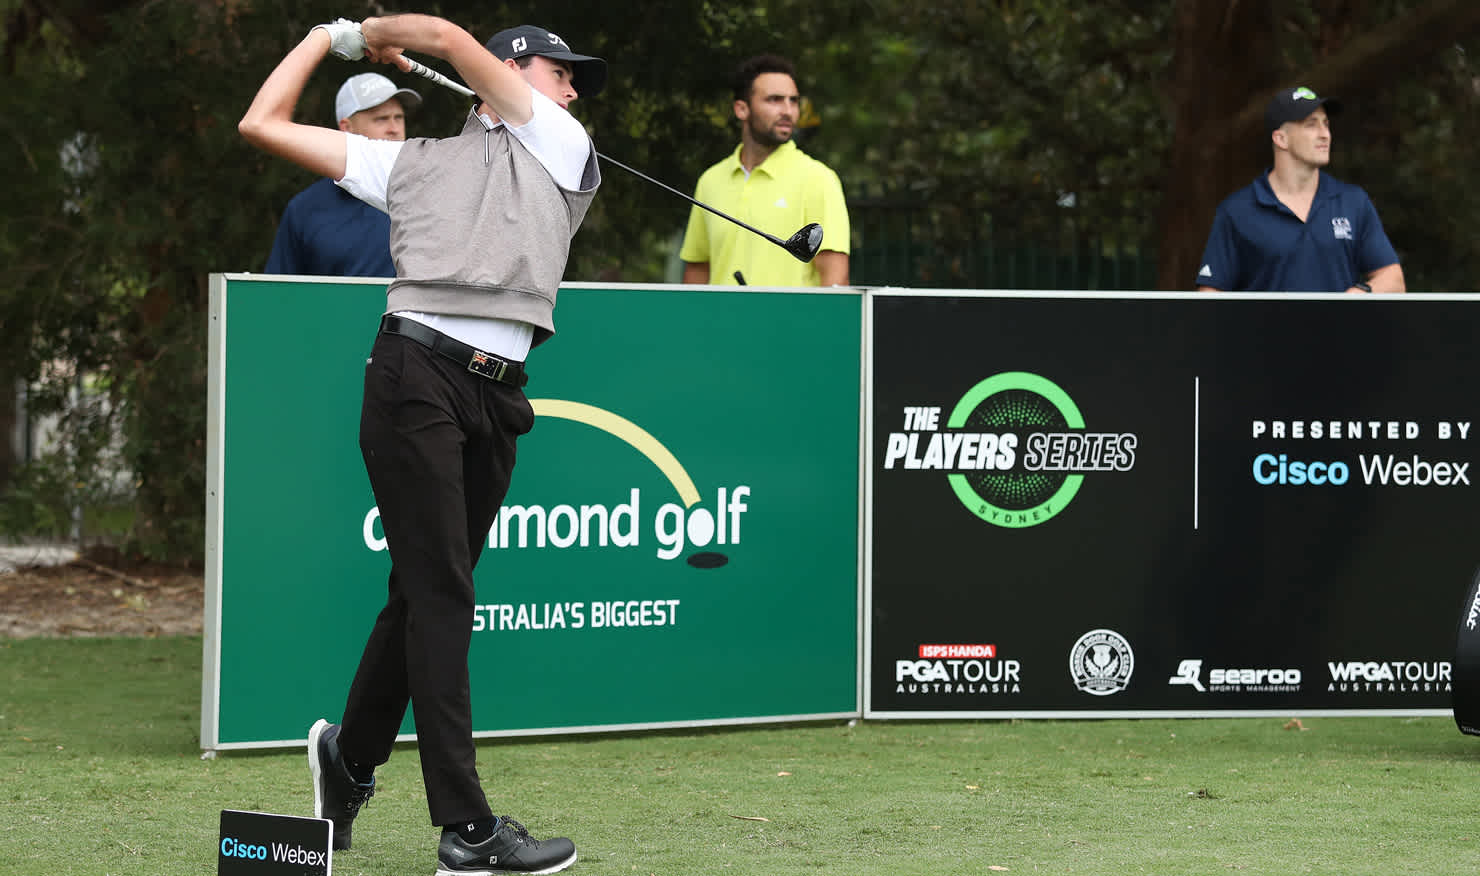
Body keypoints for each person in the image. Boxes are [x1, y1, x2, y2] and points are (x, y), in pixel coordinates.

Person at [238, 14, 603, 875]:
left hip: (497, 391)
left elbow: (441, 36)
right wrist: (340, 38)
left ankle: (348, 761)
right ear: (512, 72)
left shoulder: (562, 142)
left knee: (422, 592)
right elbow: (262, 123)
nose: (574, 86)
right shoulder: (413, 162)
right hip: (412, 376)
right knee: (441, 589)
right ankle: (467, 830)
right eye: (561, 70)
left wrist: (381, 45)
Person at [1196, 86, 1404, 293]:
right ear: (1281, 139)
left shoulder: (1353, 201)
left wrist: (1359, 294)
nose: (1325, 135)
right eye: (1311, 125)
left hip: (1339, 327)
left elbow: (1393, 280)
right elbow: (1210, 296)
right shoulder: (1237, 211)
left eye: (1326, 124)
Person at [679, 54, 850, 287]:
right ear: (742, 109)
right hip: (720, 323)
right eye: (775, 100)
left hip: (788, 324)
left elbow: (835, 281)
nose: (788, 111)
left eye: (793, 101)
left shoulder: (819, 178)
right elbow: (697, 274)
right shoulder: (710, 181)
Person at [264, 72, 422, 276]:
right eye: (381, 119)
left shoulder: (429, 191)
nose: (394, 129)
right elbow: (280, 293)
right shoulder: (306, 208)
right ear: (347, 128)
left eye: (398, 118)